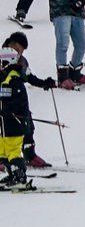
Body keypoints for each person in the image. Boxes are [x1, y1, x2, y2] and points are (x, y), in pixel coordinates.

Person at [1, 36, 58, 186]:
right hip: (4, 110)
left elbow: (29, 77)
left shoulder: (20, 63)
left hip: (15, 107)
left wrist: (44, 83)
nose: (19, 53)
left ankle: (28, 156)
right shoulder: (4, 58)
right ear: (9, 44)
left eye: (22, 51)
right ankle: (11, 169)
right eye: (17, 49)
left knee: (26, 127)